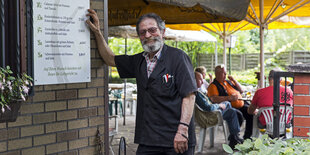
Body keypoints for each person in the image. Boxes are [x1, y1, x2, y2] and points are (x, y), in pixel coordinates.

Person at [86, 9, 197, 154]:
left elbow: (189, 96)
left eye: (152, 30)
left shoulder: (178, 58)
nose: (148, 35)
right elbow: (109, 58)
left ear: (162, 32)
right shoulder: (138, 61)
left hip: (176, 139)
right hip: (148, 140)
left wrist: (183, 130)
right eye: (143, 32)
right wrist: (97, 32)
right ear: (139, 37)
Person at [195, 72, 243, 148]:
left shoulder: (196, 91)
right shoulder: (197, 93)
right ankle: (234, 137)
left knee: (228, 105)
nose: (202, 81)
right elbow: (209, 107)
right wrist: (219, 105)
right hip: (210, 116)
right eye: (200, 79)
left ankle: (234, 136)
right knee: (233, 112)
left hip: (210, 113)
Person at [207, 65, 253, 139]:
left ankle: (247, 137)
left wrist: (234, 80)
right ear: (217, 74)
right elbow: (214, 99)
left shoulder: (228, 82)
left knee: (250, 112)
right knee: (238, 114)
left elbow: (241, 90)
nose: (225, 75)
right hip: (229, 108)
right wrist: (229, 98)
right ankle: (234, 136)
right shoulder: (213, 86)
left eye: (225, 73)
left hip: (241, 105)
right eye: (223, 73)